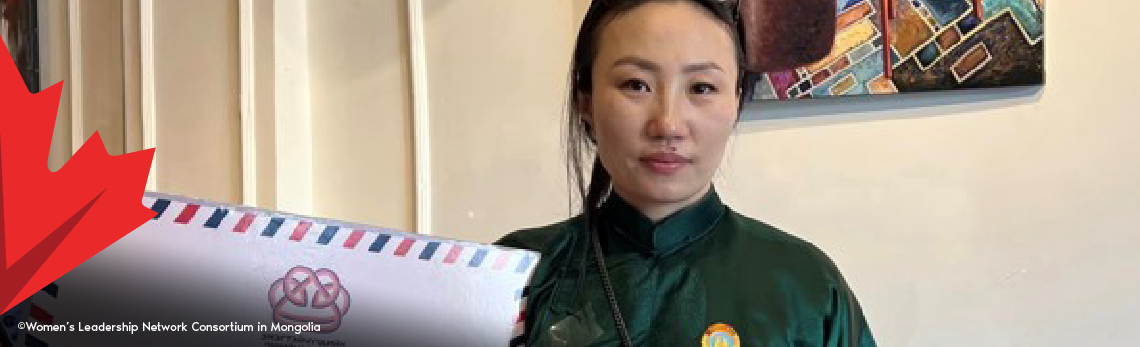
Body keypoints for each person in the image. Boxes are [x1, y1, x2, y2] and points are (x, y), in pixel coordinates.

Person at [495, 0, 876, 346]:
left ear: (737, 101)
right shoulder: (512, 277)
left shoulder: (805, 286)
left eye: (702, 87)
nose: (668, 124)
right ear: (586, 100)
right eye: (636, 84)